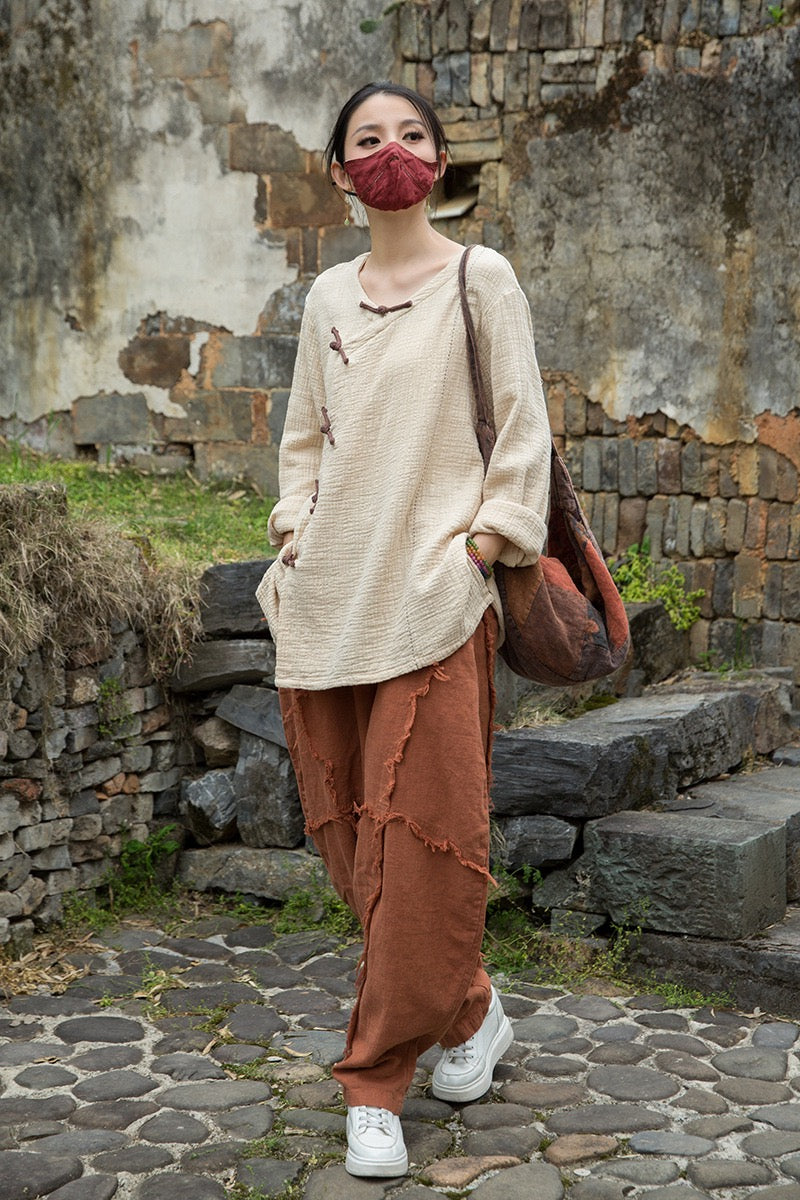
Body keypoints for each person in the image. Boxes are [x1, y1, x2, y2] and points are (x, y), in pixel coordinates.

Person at [257, 81, 552, 1178]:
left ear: (439, 159)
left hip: (435, 597)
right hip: (330, 596)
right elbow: (303, 436)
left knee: (422, 838)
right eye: (368, 139)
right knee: (351, 839)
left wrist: (482, 545)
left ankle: (374, 1079)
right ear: (340, 171)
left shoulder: (482, 277)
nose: (392, 151)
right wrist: (295, 530)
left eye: (412, 135)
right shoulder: (327, 295)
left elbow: (521, 430)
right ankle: (470, 1010)